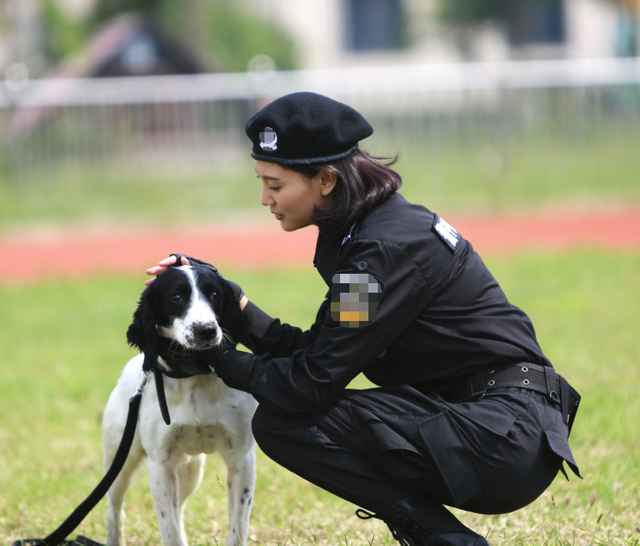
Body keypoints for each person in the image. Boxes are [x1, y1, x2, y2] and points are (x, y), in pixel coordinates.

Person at [146, 92, 581, 546]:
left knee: (283, 422)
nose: (263, 198)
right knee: (289, 413)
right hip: (499, 429)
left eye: (275, 185)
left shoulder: (379, 256)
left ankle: (447, 541)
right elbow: (322, 352)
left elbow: (309, 383)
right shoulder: (373, 233)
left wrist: (216, 354)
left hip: (502, 440)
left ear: (326, 181)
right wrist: (226, 300)